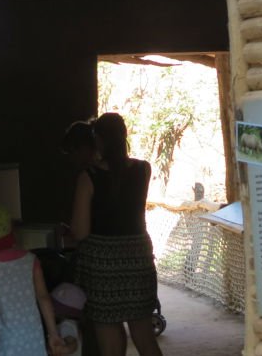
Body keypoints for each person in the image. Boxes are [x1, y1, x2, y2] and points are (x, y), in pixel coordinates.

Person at [71, 113, 162, 356]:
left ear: (98, 140)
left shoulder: (88, 177)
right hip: (137, 259)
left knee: (111, 343)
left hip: (103, 266)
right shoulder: (143, 169)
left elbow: (80, 232)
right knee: (144, 336)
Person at [0, 202, 70, 356]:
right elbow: (43, 298)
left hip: (4, 344)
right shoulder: (30, 260)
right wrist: (53, 334)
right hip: (33, 340)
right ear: (11, 230)